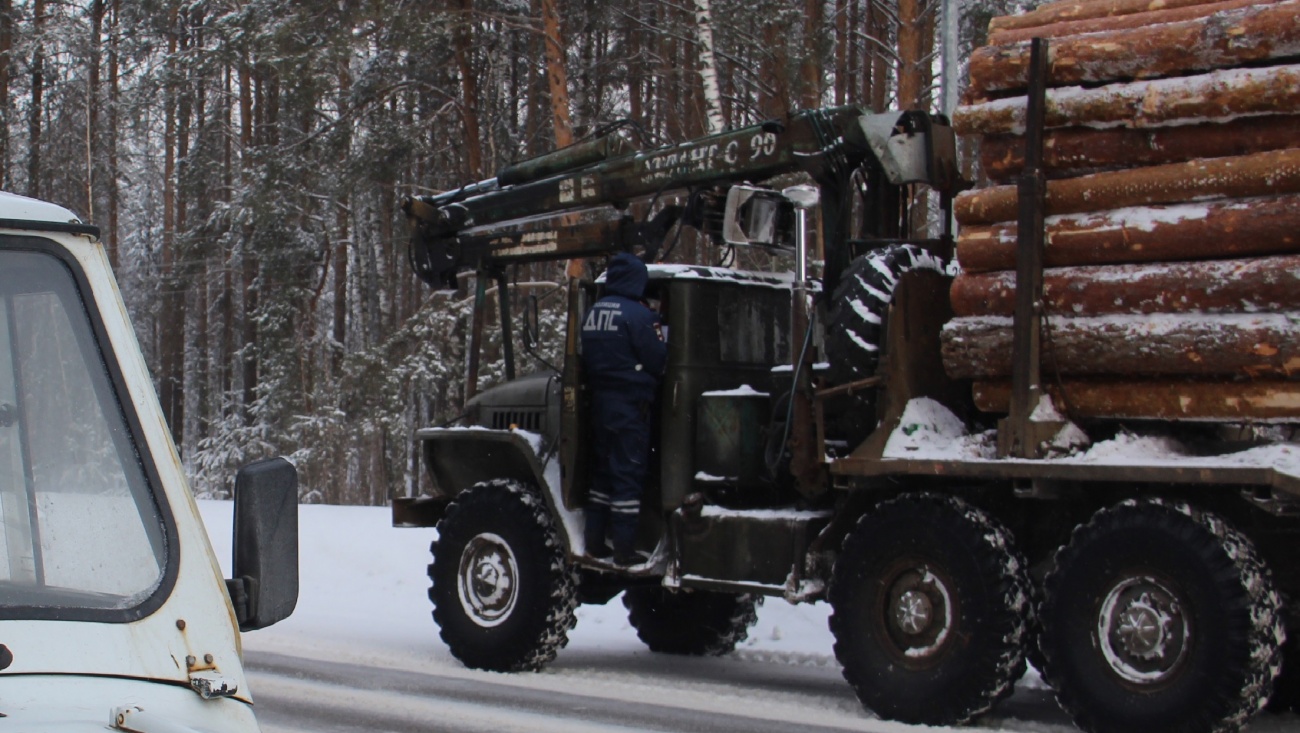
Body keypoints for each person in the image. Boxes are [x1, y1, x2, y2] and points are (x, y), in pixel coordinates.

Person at [581, 252, 667, 565]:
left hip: (602, 402)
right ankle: (624, 548)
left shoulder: (593, 312)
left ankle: (594, 541)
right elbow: (658, 358)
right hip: (632, 405)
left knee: (602, 473)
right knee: (628, 474)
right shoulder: (640, 316)